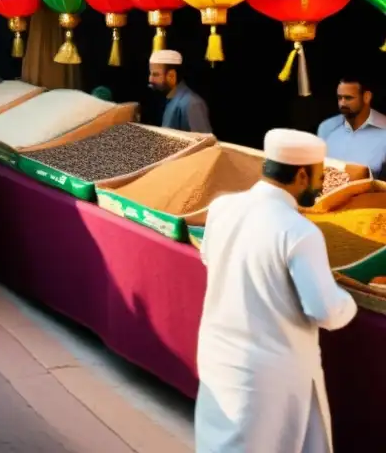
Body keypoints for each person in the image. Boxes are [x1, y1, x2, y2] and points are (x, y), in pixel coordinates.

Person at [195, 128, 357, 453]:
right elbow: (325, 311)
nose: (322, 184)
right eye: (320, 175)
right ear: (300, 175)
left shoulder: (222, 208)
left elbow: (209, 257)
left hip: (219, 358)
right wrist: (347, 301)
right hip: (267, 378)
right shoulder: (299, 230)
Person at [317, 74, 386, 179]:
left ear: (366, 97)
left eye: (348, 98)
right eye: (340, 98)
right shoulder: (326, 128)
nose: (342, 103)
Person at [148, 49, 212, 134]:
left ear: (171, 76)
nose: (150, 79)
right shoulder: (170, 100)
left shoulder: (192, 103)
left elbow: (204, 144)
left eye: (155, 75)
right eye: (150, 74)